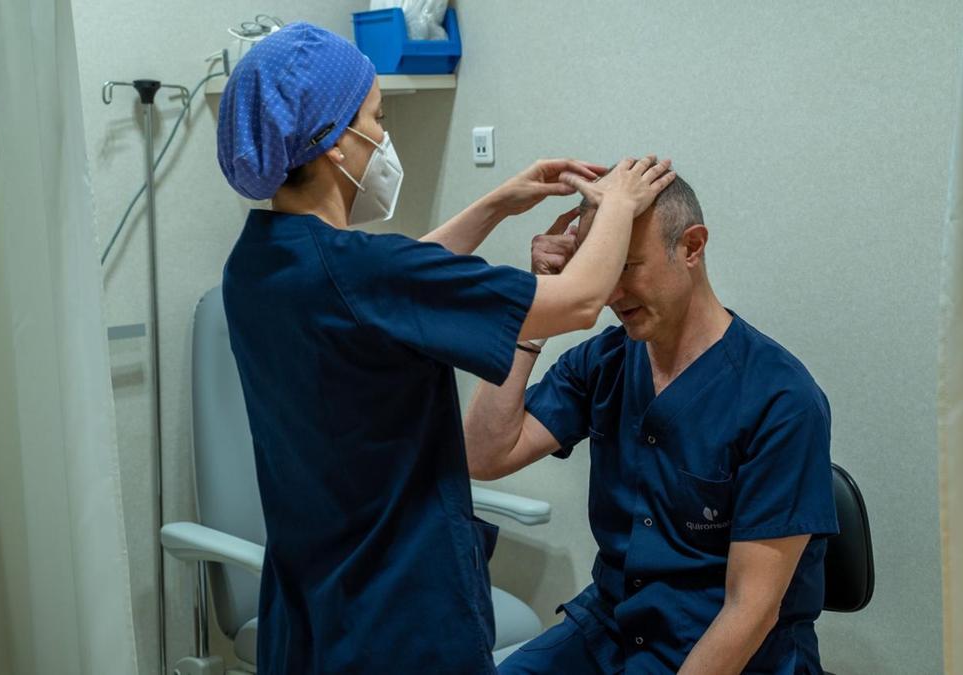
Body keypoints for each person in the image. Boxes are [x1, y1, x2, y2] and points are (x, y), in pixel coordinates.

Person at [214, 22, 676, 674]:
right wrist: (622, 203)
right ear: (334, 146)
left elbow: (384, 291)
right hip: (400, 618)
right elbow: (575, 300)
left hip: (311, 615)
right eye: (376, 119)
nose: (383, 136)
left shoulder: (258, 265)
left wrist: (497, 203)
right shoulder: (362, 273)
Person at [464, 170, 838, 674]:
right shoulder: (606, 361)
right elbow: (484, 455)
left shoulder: (780, 398)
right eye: (599, 270)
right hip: (610, 630)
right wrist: (535, 305)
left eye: (628, 267)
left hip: (726, 652)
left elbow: (750, 611)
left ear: (692, 247)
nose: (611, 294)